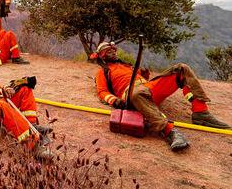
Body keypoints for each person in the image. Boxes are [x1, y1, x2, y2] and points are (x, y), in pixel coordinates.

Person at [93, 41, 230, 152]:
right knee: (136, 94)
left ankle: (201, 113)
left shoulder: (127, 66)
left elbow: (143, 78)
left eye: (113, 50)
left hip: (148, 88)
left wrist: (145, 75)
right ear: (102, 56)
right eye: (108, 51)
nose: (113, 52)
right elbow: (102, 91)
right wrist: (115, 100)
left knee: (181, 69)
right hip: (132, 95)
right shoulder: (103, 72)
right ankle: (170, 132)